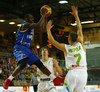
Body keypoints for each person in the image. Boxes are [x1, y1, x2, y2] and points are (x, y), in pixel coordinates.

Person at [3, 8, 64, 90]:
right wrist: (43, 15)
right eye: (30, 18)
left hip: (26, 48)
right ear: (26, 19)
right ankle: (8, 80)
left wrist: (45, 17)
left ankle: (55, 79)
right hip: (19, 47)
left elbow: (43, 29)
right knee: (23, 64)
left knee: (39, 63)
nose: (32, 19)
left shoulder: (31, 27)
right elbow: (39, 25)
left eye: (33, 18)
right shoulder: (25, 25)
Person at [46, 6, 88, 92]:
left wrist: (48, 30)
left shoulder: (66, 47)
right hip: (84, 73)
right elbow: (80, 28)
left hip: (72, 73)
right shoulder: (80, 44)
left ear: (69, 39)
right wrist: (76, 16)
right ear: (76, 39)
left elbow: (52, 41)